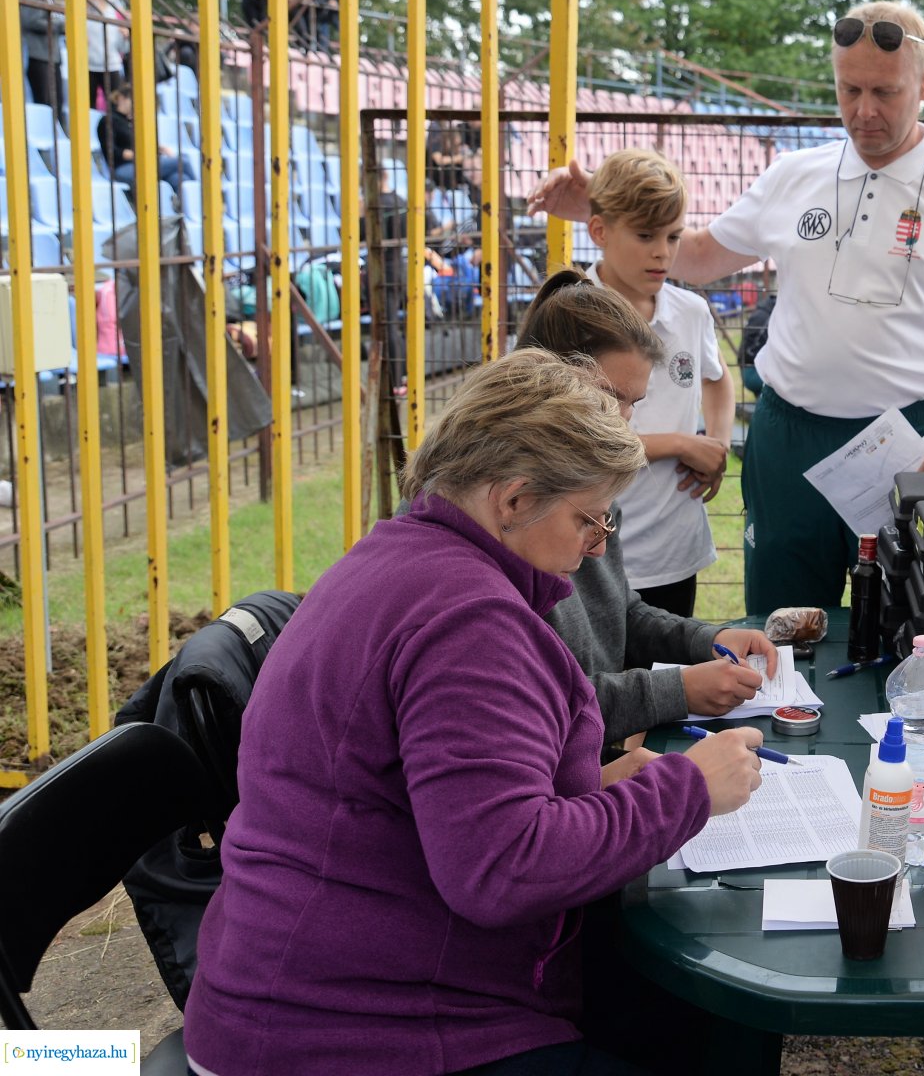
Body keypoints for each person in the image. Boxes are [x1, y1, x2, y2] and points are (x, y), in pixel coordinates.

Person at [183, 350, 766, 1075]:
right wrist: (686, 790)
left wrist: (595, 792)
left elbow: (448, 805)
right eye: (588, 521)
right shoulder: (470, 622)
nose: (593, 550)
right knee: (714, 1029)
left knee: (682, 1018)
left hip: (310, 988)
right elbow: (501, 869)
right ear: (514, 499)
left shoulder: (402, 557)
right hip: (357, 1032)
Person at [530, 0, 924, 613]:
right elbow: (704, 255)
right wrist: (596, 212)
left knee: (906, 620)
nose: (864, 110)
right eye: (849, 89)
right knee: (779, 625)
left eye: (884, 92)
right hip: (786, 436)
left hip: (901, 440)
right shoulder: (795, 174)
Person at [516, 270, 773, 752]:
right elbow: (549, 705)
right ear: (547, 375)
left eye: (632, 404)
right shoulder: (520, 510)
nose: (624, 423)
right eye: (612, 398)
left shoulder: (585, 476)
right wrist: (679, 689)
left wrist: (707, 639)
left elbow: (618, 612)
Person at [579, 149, 734, 619]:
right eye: (645, 235)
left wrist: (718, 445)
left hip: (673, 549)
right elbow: (573, 438)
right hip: (589, 550)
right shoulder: (571, 317)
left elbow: (719, 381)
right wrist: (682, 444)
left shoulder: (690, 312)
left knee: (668, 673)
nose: (662, 252)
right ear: (600, 231)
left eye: (673, 235)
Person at [99, 76, 187, 198]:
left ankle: (183, 210)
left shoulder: (131, 122)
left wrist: (159, 149)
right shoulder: (107, 121)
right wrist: (138, 155)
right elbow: (112, 152)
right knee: (181, 162)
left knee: (179, 177)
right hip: (123, 167)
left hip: (141, 162)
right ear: (122, 99)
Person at [19, 0, 65, 120]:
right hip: (39, 55)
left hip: (47, 55)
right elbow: (31, 20)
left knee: (54, 104)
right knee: (46, 104)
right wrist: (61, 24)